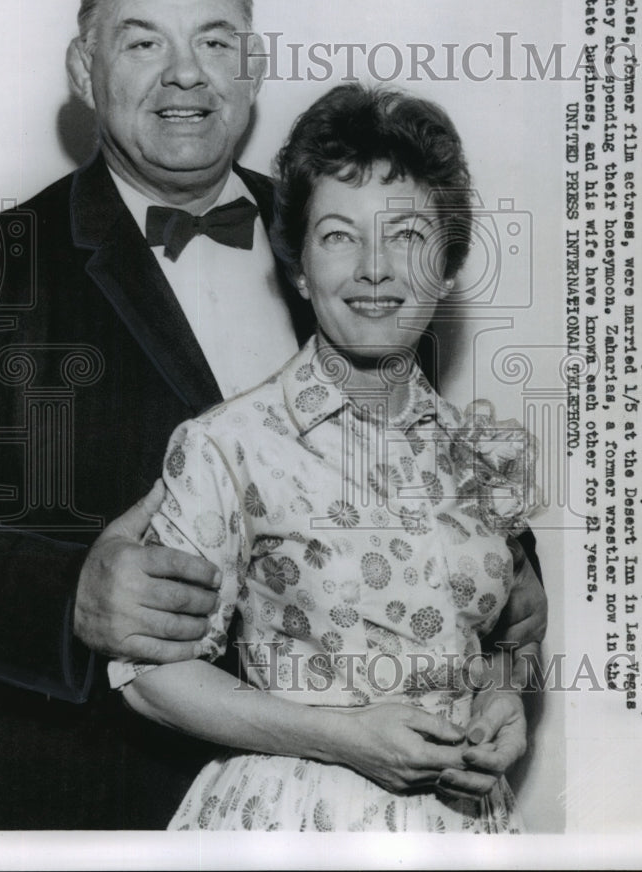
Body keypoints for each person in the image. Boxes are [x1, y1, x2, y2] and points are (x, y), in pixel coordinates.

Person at [0, 0, 545, 830]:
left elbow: (416, 471)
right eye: (142, 41)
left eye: (214, 41)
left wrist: (509, 606)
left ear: (255, 65)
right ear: (84, 69)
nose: (185, 75)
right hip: (99, 798)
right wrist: (62, 596)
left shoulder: (351, 236)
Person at [110, 83, 541, 832]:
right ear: (301, 268)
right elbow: (146, 675)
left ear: (444, 268)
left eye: (406, 235)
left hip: (461, 828)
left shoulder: (485, 454)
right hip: (292, 823)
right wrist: (343, 738)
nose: (374, 269)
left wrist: (502, 699)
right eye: (339, 235)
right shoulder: (228, 444)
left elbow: (514, 639)